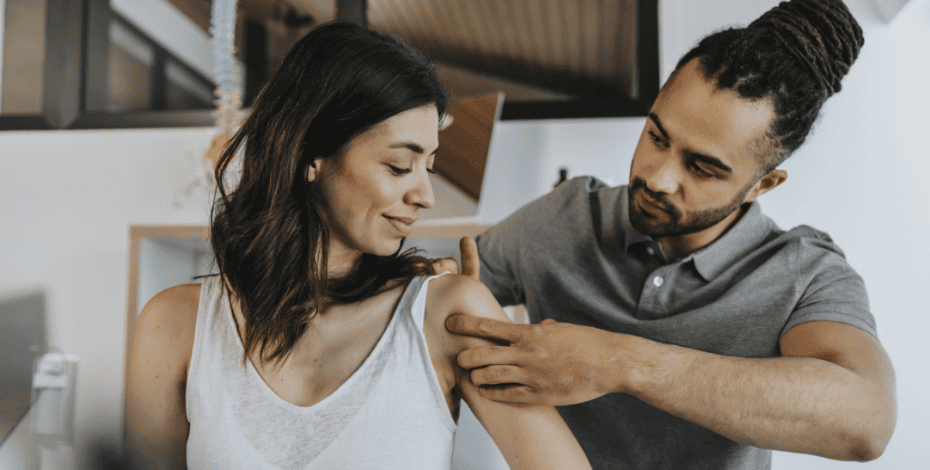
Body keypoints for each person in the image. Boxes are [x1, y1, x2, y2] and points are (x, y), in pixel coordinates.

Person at [442, 1, 897, 468]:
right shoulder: (567, 216)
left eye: (701, 167)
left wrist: (620, 363)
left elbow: (867, 424)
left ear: (761, 185)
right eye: (657, 137)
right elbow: (442, 291)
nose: (658, 178)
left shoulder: (805, 273)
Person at [124, 22, 590, 470]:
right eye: (398, 166)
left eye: (430, 165)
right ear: (310, 155)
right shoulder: (174, 326)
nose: (425, 196)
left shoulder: (448, 313)